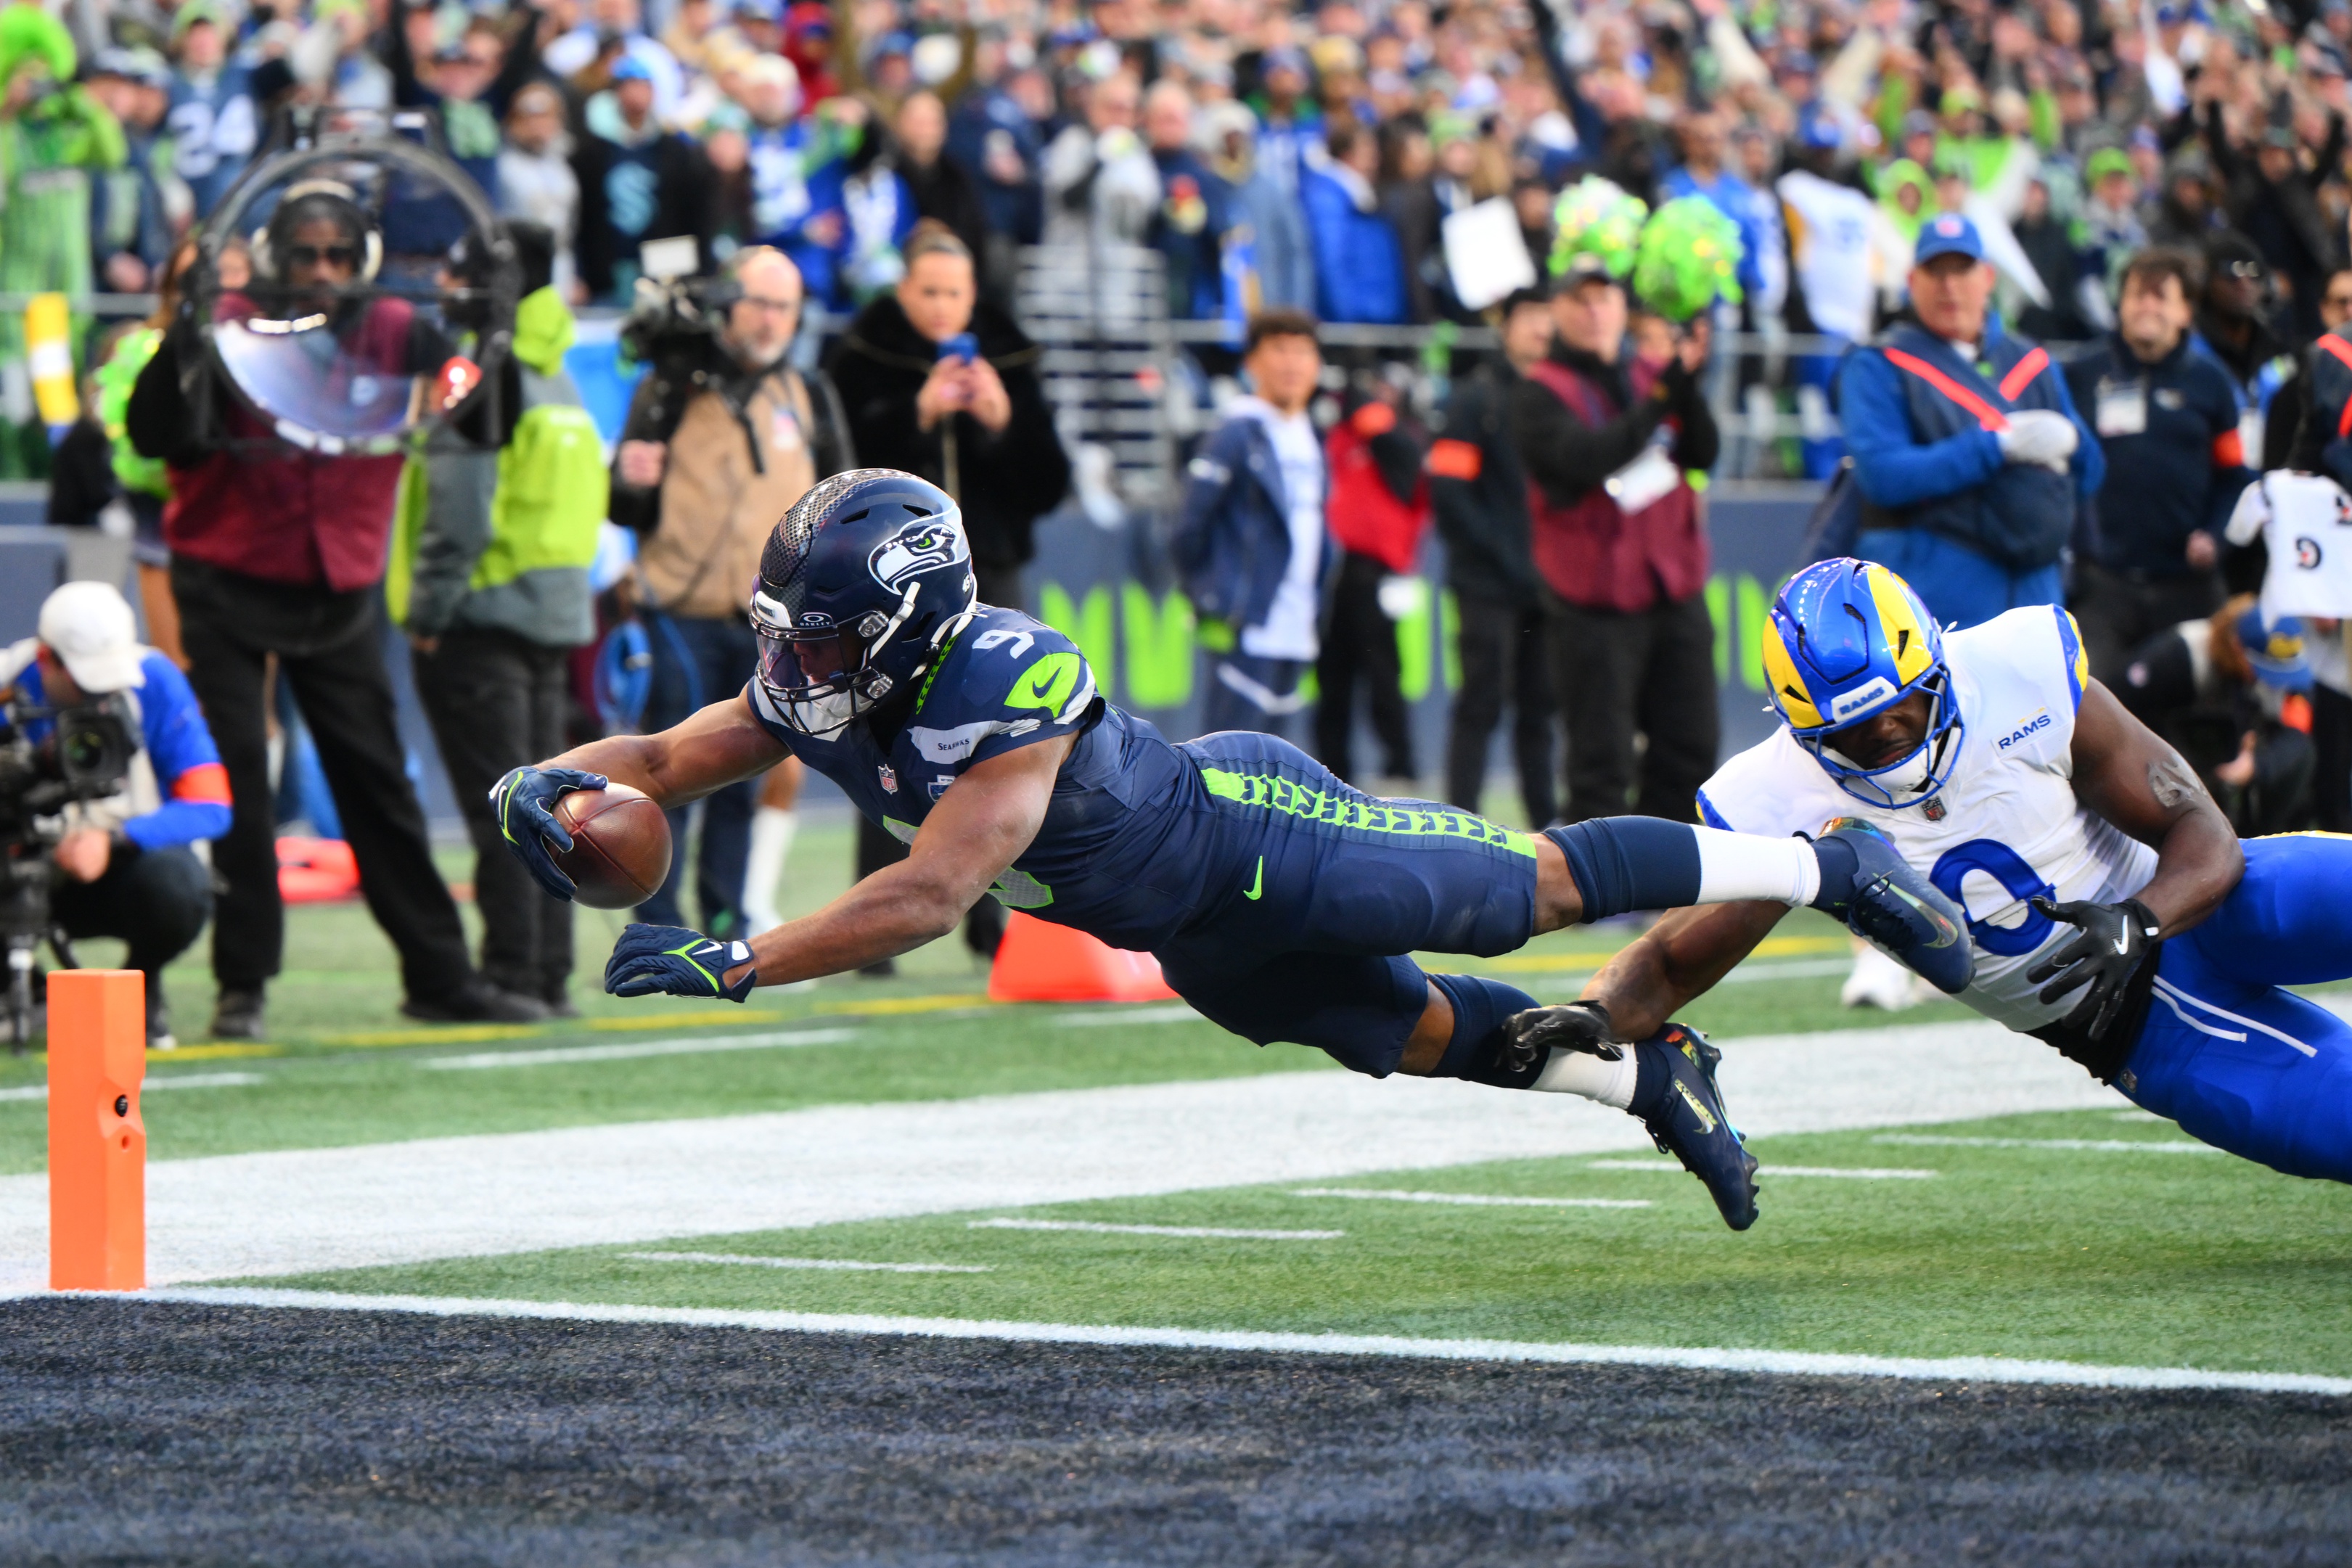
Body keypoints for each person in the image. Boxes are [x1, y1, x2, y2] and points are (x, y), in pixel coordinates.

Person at [491, 469, 1982, 1234]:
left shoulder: (1004, 683)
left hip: (1251, 836)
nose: (795, 660)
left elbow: (932, 889)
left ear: (906, 623)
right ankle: (1653, 1071)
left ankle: (1822, 869)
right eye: (789, 631)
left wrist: (744, 956)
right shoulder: (822, 680)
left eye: (819, 632)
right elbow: (669, 760)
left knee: (1509, 900)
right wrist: (549, 783)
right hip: (1186, 932)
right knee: (1407, 1036)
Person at [1509, 555, 2352, 1192]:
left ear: (1934, 668)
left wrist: (2139, 916)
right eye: (1853, 736)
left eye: (1897, 712)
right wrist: (1594, 1017)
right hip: (2128, 1027)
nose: (1886, 742)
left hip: (2210, 902)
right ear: (1803, 734)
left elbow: (2200, 830)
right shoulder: (1780, 796)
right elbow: (1668, 958)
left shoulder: (2019, 668)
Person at [126, 179, 541, 1040]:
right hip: (225, 579)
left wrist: (492, 330)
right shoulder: (230, 322)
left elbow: (481, 414)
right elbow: (151, 431)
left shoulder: (395, 328)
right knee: (236, 778)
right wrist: (187, 332)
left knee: (377, 782)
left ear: (366, 263)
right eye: (308, 255)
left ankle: (438, 974)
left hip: (339, 586)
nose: (324, 272)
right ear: (277, 256)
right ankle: (242, 985)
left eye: (341, 257)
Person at [824, 218, 1067, 961]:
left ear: (971, 296)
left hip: (989, 570)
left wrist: (1002, 422)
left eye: (952, 294)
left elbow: (1048, 484)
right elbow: (841, 472)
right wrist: (917, 416)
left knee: (1002, 746)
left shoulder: (1011, 356)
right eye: (927, 292)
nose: (940, 308)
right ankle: (873, 930)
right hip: (888, 585)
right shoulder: (862, 354)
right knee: (884, 741)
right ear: (903, 290)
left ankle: (1000, 924)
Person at [611, 245, 851, 940]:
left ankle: (726, 917)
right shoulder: (667, 387)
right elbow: (621, 506)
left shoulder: (808, 395)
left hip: (771, 625)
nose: (773, 320)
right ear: (726, 304)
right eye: (760, 303)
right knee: (666, 776)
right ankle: (656, 921)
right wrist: (630, 479)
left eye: (786, 306)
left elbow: (845, 501)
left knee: (742, 779)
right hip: (678, 611)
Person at [395, 224, 606, 1014]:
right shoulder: (559, 372)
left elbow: (458, 507)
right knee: (552, 806)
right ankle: (549, 974)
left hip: (480, 617)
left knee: (507, 811)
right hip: (553, 613)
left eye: (453, 273)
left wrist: (428, 610)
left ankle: (515, 974)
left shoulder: (485, 370)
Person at [1509, 254, 1718, 824]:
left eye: (1604, 296)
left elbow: (1703, 450)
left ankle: (1672, 875)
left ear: (1623, 307)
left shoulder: (1651, 374)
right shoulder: (1537, 392)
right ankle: (1600, 891)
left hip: (1671, 585)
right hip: (1593, 600)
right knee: (1600, 754)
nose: (1594, 309)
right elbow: (1586, 458)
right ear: (1556, 310)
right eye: (1579, 298)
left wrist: (1687, 382)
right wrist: (1661, 396)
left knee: (1690, 743)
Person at [1835, 213, 2102, 631]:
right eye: (1935, 271)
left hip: (2036, 598)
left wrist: (2074, 444)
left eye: (1962, 270)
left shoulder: (2032, 362)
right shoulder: (1878, 363)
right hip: (1939, 598)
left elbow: (2090, 474)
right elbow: (1882, 475)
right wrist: (1994, 446)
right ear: (1912, 281)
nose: (1949, 285)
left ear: (1988, 278)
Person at [0, 583, 226, 1050]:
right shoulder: (9, 682)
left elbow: (211, 805)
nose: (98, 695)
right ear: (47, 658)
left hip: (121, 867)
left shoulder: (154, 680)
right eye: (86, 680)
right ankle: (31, 992)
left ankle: (137, 989)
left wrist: (118, 839)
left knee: (178, 884)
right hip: (20, 863)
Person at [2062, 247, 2249, 686]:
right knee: (2087, 701)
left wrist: (2217, 537)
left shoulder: (2213, 382)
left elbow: (2236, 478)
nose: (2146, 306)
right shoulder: (2080, 375)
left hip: (2187, 585)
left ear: (2185, 311)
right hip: (2103, 583)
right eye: (2135, 295)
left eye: (2160, 296)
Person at [1430, 285, 1554, 826]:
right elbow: (1448, 492)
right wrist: (1506, 556)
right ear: (1504, 325)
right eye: (1529, 316)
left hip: (1546, 587)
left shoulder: (1561, 399)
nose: (1540, 328)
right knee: (1480, 705)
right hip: (1485, 583)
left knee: (1541, 712)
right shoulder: (1474, 398)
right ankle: (1459, 823)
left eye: (1547, 316)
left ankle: (1550, 829)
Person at [1176, 308, 1329, 739]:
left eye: (1303, 351)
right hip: (1247, 624)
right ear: (1252, 363)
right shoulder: (1237, 432)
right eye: (1278, 349)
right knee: (1230, 765)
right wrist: (1214, 595)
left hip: (1298, 624)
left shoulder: (1310, 435)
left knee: (1278, 775)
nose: (1292, 363)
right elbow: (1190, 524)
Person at [1314, 379, 1427, 789]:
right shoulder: (1339, 439)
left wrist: (1364, 406)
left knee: (1382, 674)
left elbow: (1403, 456)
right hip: (1334, 572)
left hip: (1375, 571)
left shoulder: (1398, 441)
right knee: (1333, 678)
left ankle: (1401, 766)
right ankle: (1332, 771)